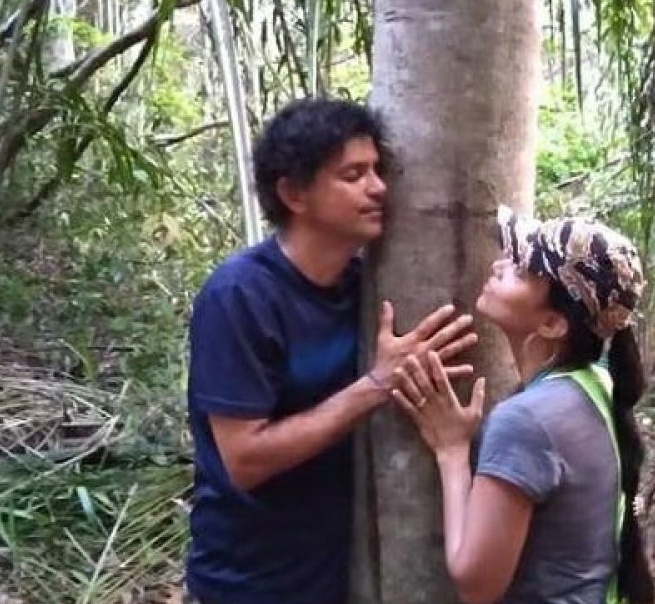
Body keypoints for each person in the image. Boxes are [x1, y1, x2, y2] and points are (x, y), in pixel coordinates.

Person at [185, 97, 476, 604]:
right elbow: (244, 459)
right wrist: (375, 385)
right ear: (294, 193)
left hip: (343, 577)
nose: (379, 187)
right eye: (353, 174)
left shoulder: (368, 288)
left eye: (377, 170)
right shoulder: (240, 296)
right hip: (248, 584)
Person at [392, 207, 655, 604]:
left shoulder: (527, 420)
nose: (499, 266)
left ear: (552, 324)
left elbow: (476, 586)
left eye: (520, 270)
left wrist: (451, 451)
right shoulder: (595, 383)